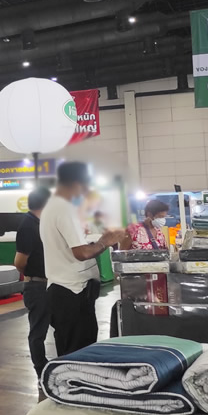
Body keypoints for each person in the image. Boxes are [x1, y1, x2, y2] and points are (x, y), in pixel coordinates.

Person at [40, 161, 127, 357]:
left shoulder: (54, 206)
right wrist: (105, 242)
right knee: (78, 353)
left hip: (66, 289)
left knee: (74, 348)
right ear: (77, 183)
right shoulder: (65, 209)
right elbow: (81, 253)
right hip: (71, 293)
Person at [13, 187, 51, 378]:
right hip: (36, 286)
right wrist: (32, 275)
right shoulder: (28, 226)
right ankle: (41, 370)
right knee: (38, 331)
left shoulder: (40, 224)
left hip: (48, 284)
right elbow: (19, 262)